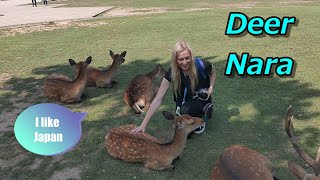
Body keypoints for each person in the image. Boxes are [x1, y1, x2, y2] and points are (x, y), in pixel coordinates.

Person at [131, 41, 216, 134]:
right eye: (181, 59)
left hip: (200, 97)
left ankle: (203, 114)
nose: (184, 62)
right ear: (175, 59)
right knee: (184, 122)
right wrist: (143, 125)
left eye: (187, 58)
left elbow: (213, 72)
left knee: (189, 111)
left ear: (191, 56)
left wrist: (210, 88)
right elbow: (158, 99)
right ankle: (187, 112)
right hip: (184, 100)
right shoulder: (173, 72)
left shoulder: (202, 65)